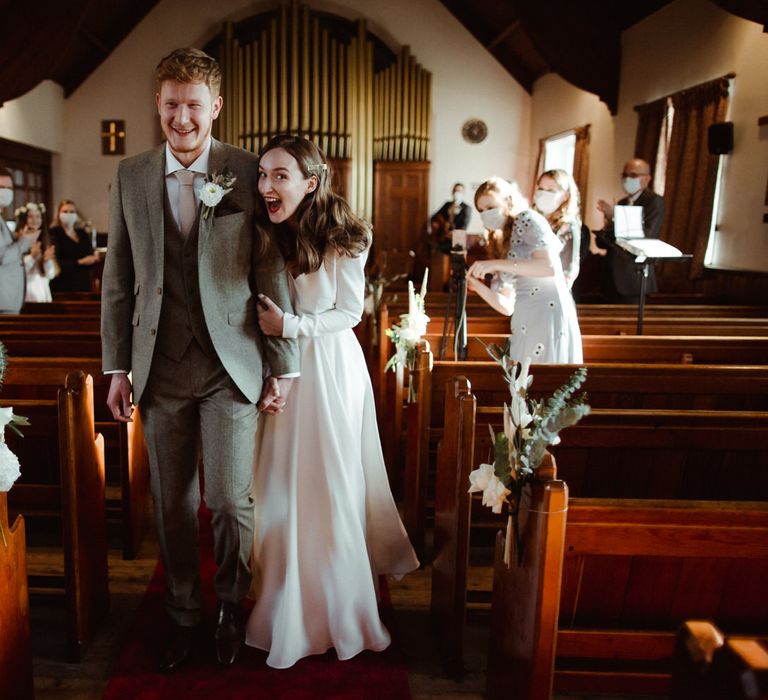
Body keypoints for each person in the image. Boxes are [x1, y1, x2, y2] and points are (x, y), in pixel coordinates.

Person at [101, 48, 300, 673]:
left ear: (215, 106)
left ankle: (231, 606)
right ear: (157, 105)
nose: (181, 118)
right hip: (157, 364)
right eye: (170, 105)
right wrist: (116, 368)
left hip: (231, 362)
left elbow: (269, 267)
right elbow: (118, 277)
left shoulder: (247, 171)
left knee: (230, 498)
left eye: (193, 105)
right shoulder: (132, 176)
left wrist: (284, 363)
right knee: (172, 500)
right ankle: (184, 612)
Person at [245, 134, 418, 669]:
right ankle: (282, 604)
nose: (267, 185)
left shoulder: (347, 234)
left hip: (330, 368)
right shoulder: (263, 231)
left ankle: (338, 608)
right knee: (278, 483)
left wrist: (290, 325)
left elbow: (350, 313)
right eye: (263, 174)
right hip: (282, 368)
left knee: (329, 481)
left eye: (280, 176)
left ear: (310, 182)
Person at [466, 177, 583, 364]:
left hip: (547, 311)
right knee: (523, 383)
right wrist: (476, 286)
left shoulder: (527, 219)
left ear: (508, 200)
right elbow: (507, 306)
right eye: (481, 211)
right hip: (525, 316)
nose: (485, 214)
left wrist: (496, 264)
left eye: (490, 207)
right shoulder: (502, 239)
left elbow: (549, 267)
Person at [593, 158, 665, 303]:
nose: (627, 179)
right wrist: (607, 225)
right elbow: (607, 243)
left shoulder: (653, 201)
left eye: (633, 175)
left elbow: (646, 235)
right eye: (624, 175)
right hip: (611, 277)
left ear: (647, 179)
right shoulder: (622, 203)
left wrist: (617, 216)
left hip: (634, 278)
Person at [532, 169, 584, 290]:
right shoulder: (534, 220)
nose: (544, 194)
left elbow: (569, 269)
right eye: (541, 189)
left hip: (552, 291)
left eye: (550, 190)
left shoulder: (567, 225)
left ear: (565, 196)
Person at [0, 167, 36, 313]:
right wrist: (25, 242)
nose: (6, 191)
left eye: (10, 188)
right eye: (1, 187)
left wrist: (19, 238)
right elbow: (3, 257)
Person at [49, 199, 100, 293]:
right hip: (63, 283)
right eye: (65, 211)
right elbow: (56, 261)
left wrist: (94, 259)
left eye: (72, 212)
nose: (69, 214)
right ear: (58, 214)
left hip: (83, 282)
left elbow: (89, 254)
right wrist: (79, 262)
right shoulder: (54, 233)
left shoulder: (82, 233)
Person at [16, 202, 59, 303]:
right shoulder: (16, 240)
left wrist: (47, 261)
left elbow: (51, 275)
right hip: (24, 291)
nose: (35, 220)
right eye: (30, 216)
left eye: (38, 216)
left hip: (42, 292)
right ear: (24, 219)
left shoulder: (46, 240)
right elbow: (15, 271)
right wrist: (32, 258)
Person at [430, 182, 472, 253]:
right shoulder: (447, 204)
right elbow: (434, 217)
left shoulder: (466, 208)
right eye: (455, 191)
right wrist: (439, 224)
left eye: (459, 191)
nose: (457, 193)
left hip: (457, 238)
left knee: (455, 253)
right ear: (452, 192)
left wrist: (452, 233)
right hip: (443, 236)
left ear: (463, 193)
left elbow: (464, 227)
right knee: (435, 248)